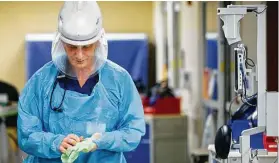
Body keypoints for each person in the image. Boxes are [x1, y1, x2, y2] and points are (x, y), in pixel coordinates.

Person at [17, 1, 146, 162]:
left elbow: (133, 131)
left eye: (86, 46)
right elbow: (27, 134)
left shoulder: (119, 80)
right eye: (71, 46)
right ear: (62, 42)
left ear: (98, 41)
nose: (79, 55)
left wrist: (101, 140)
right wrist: (55, 143)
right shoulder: (40, 82)